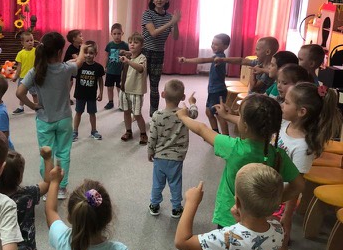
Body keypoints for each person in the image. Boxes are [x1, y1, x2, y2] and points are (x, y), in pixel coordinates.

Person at [259, 83, 342, 250]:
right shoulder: (285, 125)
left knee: (280, 242)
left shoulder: (304, 146)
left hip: (282, 199)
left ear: (302, 111)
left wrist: (287, 216)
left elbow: (297, 185)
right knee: (269, 237)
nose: (282, 104)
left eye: (286, 102)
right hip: (271, 192)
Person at [177, 94, 305, 228]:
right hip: (259, 219)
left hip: (229, 217)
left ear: (245, 126)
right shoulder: (278, 155)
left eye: (240, 116)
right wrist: (271, 201)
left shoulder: (233, 148)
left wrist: (183, 116)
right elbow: (299, 185)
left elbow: (201, 129)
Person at [16, 32, 87, 200]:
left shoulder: (35, 71)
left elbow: (19, 92)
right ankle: (61, 188)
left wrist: (32, 105)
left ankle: (48, 186)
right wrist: (82, 48)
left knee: (46, 155)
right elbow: (80, 61)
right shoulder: (66, 69)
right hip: (64, 119)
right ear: (59, 52)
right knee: (64, 153)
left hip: (44, 120)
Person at [148, 79, 198, 218]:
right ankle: (176, 208)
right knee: (175, 183)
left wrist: (150, 151)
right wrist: (192, 103)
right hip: (177, 158)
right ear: (182, 97)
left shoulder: (157, 115)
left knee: (157, 183)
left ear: (163, 94)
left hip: (160, 157)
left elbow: (152, 136)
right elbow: (195, 114)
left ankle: (154, 205)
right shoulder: (184, 113)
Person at [178, 33, 230, 135]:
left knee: (219, 114)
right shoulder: (217, 56)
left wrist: (187, 60)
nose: (213, 46)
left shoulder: (219, 58)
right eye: (212, 43)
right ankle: (215, 133)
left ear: (225, 46)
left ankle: (226, 137)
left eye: (216, 44)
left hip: (217, 91)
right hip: (213, 90)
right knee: (209, 112)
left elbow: (202, 60)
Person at [141, 0, 181, 116]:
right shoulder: (147, 14)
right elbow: (153, 33)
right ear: (153, 0)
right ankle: (135, 112)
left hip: (158, 54)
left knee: (154, 87)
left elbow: (175, 37)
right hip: (144, 53)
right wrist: (171, 22)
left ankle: (153, 115)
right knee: (139, 86)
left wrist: (175, 23)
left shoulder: (170, 17)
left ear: (166, 0)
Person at [120, 32, 148, 145]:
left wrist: (128, 61)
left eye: (136, 42)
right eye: (130, 42)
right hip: (124, 90)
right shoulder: (128, 56)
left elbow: (140, 69)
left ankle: (143, 133)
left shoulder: (142, 58)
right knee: (126, 112)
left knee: (137, 114)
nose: (132, 44)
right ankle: (128, 131)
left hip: (136, 91)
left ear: (141, 45)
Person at [73, 42, 105, 141]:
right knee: (78, 112)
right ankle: (75, 131)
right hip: (80, 95)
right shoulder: (79, 66)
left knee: (92, 113)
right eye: (86, 53)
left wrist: (101, 93)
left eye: (91, 53)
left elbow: (100, 80)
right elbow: (71, 75)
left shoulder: (98, 67)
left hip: (91, 95)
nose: (88, 55)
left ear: (95, 54)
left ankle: (94, 131)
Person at [103, 23, 129, 110]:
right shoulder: (109, 45)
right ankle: (110, 102)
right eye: (114, 34)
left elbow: (129, 56)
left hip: (120, 72)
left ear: (122, 33)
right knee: (109, 87)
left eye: (119, 33)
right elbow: (106, 56)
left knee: (119, 88)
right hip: (110, 70)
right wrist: (105, 66)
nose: (117, 36)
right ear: (111, 34)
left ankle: (121, 103)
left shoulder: (125, 45)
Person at [12, 31, 37, 114]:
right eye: (27, 41)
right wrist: (16, 76)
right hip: (23, 77)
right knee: (22, 93)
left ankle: (37, 106)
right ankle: (21, 107)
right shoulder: (20, 54)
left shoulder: (36, 51)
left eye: (31, 40)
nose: (30, 42)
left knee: (35, 93)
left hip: (34, 77)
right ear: (22, 43)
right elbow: (19, 66)